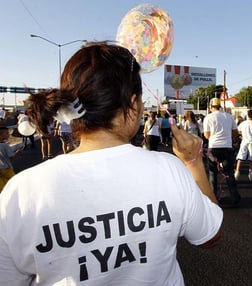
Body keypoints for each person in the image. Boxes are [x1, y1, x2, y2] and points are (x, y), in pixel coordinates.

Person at [0, 42, 223, 285]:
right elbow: (209, 235)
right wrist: (193, 162)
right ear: (133, 104)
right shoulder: (169, 170)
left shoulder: (21, 192)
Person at [203, 97, 241, 205]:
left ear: (210, 107)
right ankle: (234, 197)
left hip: (213, 147)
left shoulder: (208, 118)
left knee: (212, 173)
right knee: (229, 173)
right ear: (220, 106)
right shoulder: (229, 116)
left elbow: (206, 135)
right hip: (227, 147)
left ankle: (213, 199)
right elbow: (235, 132)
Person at [234, 109, 252, 182]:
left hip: (244, 141)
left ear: (248, 115)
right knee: (251, 157)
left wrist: (243, 134)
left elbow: (238, 131)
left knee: (240, 157)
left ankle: (237, 173)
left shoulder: (243, 123)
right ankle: (251, 174)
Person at [0, 127, 21, 191]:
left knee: (2, 184)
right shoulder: (5, 145)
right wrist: (17, 152)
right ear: (0, 135)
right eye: (6, 133)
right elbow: (11, 156)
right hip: (7, 168)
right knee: (14, 181)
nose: (8, 134)